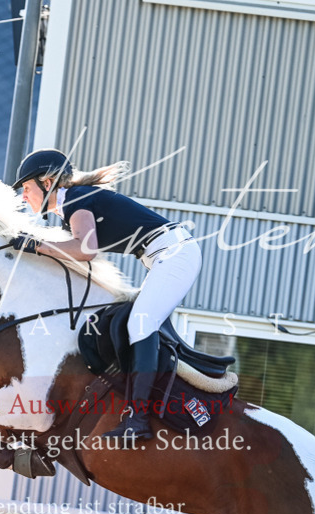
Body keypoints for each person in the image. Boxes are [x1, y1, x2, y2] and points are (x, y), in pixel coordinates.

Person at [10, 148, 202, 444]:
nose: (24, 196)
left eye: (26, 187)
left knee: (140, 323)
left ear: (47, 183)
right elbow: (71, 251)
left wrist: (36, 245)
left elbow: (85, 250)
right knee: (130, 322)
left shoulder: (75, 198)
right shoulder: (70, 206)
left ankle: (138, 419)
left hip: (175, 254)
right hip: (164, 256)